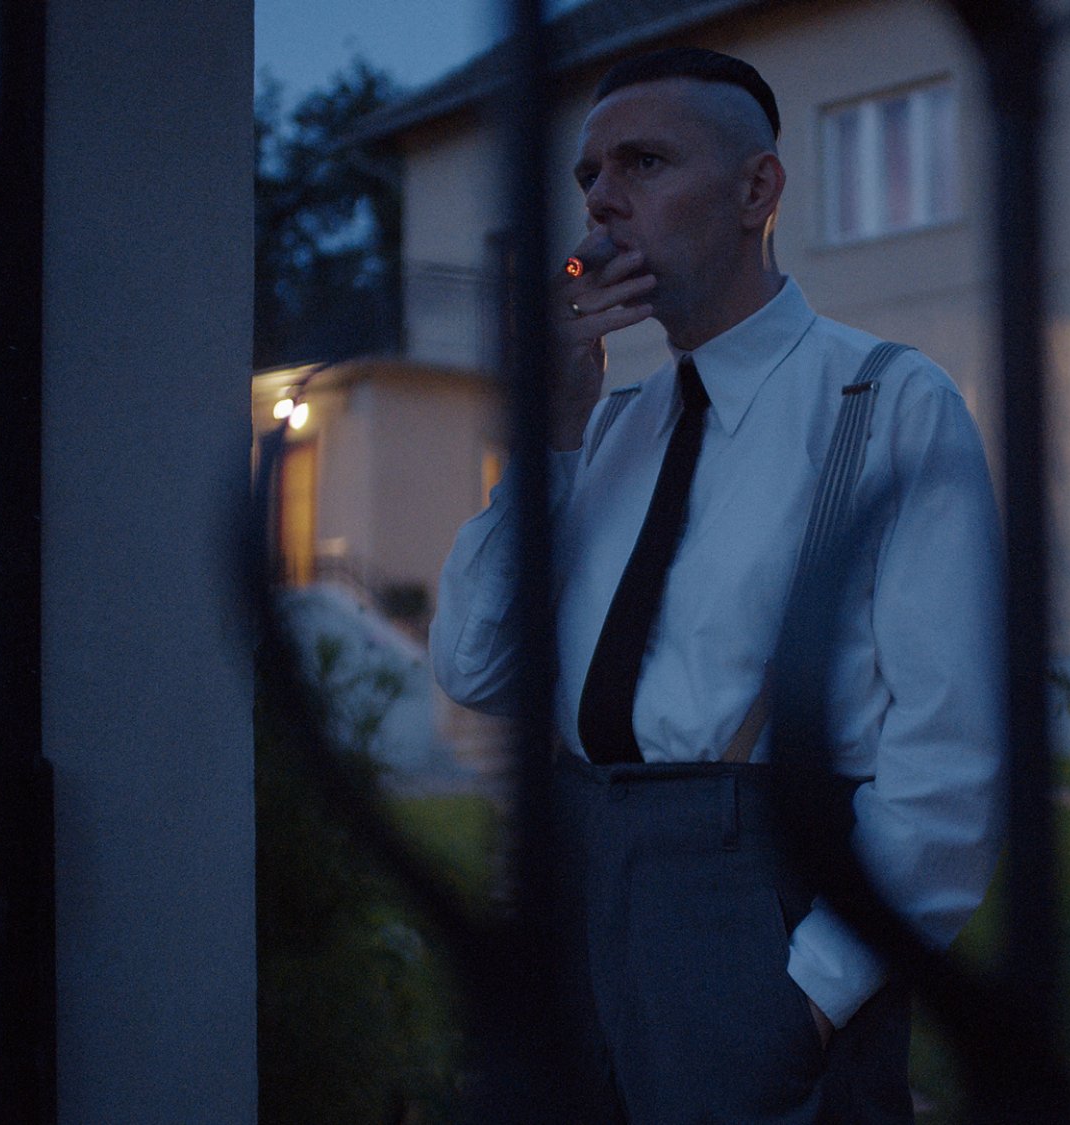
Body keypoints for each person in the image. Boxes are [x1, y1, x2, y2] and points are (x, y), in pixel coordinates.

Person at [430, 47, 1005, 1123]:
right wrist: (548, 438)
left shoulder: (883, 400)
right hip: (578, 886)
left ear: (756, 191)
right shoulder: (613, 425)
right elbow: (474, 665)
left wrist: (811, 999)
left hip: (759, 909)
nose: (602, 198)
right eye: (589, 174)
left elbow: (952, 746)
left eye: (642, 162)